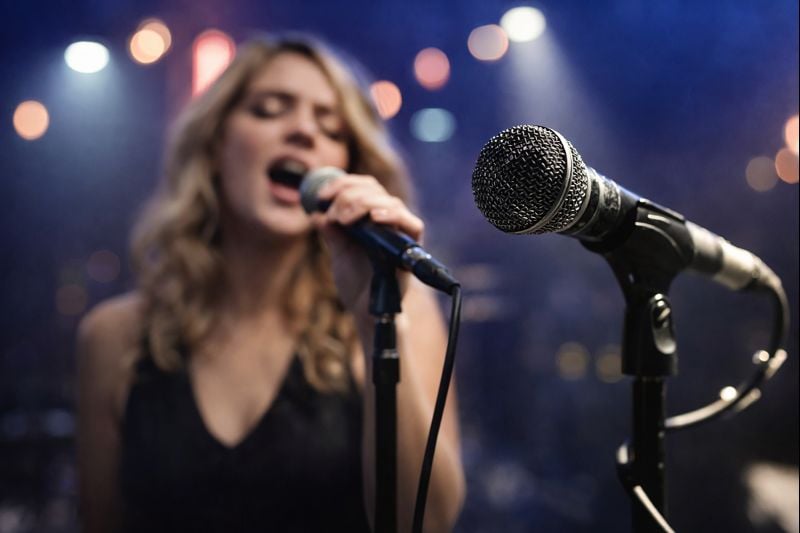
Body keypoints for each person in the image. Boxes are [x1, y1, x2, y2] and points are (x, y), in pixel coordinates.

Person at [76, 35, 465, 532]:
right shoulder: (114, 338)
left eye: (330, 127)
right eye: (269, 110)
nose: (303, 131)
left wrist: (375, 326)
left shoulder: (401, 314)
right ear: (215, 144)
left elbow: (427, 524)